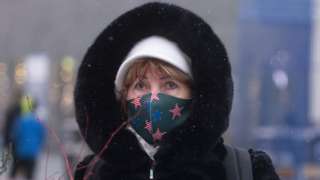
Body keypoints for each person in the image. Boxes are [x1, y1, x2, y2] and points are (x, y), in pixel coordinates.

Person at [74, 2, 280, 180]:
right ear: (122, 97)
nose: (153, 98)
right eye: (140, 85)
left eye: (170, 85)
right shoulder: (90, 173)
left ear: (195, 95)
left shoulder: (247, 170)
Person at [10, 96, 46, 180]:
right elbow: (42, 136)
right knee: (30, 176)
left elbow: (14, 135)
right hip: (32, 153)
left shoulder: (20, 120)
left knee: (13, 174)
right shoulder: (38, 122)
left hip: (20, 152)